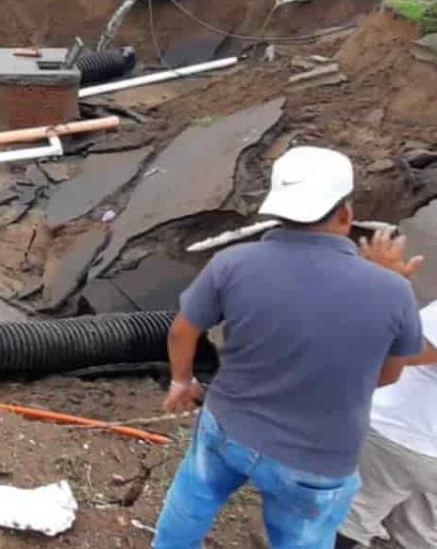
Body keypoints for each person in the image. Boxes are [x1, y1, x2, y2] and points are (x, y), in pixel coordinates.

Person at [152, 146, 424, 549]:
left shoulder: (233, 263)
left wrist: (181, 380)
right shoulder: (394, 291)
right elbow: (387, 374)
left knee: (192, 501)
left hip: (228, 428)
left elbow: (181, 331)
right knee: (302, 537)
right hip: (316, 459)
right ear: (346, 213)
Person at [336, 300, 437, 549]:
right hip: (426, 447)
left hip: (396, 433)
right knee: (417, 538)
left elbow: (405, 353)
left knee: (347, 519)